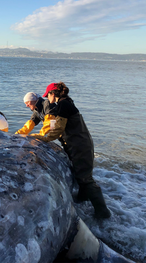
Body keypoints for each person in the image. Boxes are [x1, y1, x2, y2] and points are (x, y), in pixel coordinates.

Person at [31, 82, 111, 219]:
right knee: (80, 174)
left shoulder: (63, 104)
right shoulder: (64, 103)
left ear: (53, 94)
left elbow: (58, 129)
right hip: (77, 145)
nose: (47, 98)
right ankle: (82, 198)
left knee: (85, 178)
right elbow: (56, 125)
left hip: (80, 146)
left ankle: (103, 213)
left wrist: (44, 138)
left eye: (47, 95)